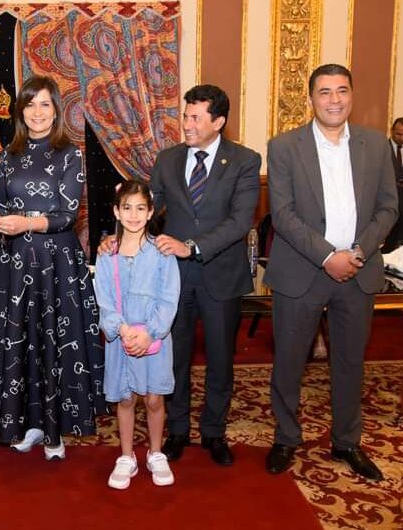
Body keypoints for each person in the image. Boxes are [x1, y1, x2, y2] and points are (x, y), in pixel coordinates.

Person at [99, 85, 259, 466]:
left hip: (221, 275)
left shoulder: (244, 160)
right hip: (173, 279)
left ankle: (214, 433)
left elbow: (240, 221)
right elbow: (147, 208)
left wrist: (193, 246)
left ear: (218, 122)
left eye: (196, 118)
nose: (187, 124)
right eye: (185, 116)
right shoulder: (168, 159)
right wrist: (117, 236)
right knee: (175, 358)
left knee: (220, 358)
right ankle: (178, 430)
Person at [264, 64, 398, 481]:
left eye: (342, 91)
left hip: (359, 270)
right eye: (324, 92)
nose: (334, 100)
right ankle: (286, 437)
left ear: (352, 96)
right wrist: (327, 256)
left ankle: (346, 442)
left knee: (350, 361)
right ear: (311, 99)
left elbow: (388, 208)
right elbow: (282, 214)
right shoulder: (284, 146)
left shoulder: (377, 145)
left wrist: (356, 252)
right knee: (289, 361)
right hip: (302, 270)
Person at [0, 75, 106, 459]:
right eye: (30, 104)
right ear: (20, 111)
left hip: (56, 264)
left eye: (45, 104)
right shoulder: (8, 155)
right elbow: (3, 205)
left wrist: (25, 223)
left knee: (54, 341)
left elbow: (68, 215)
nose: (37, 112)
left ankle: (55, 432)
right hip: (14, 263)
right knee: (22, 341)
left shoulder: (70, 154)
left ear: (56, 111)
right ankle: (31, 425)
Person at [94, 180, 180, 490]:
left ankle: (156, 453)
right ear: (116, 212)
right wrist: (122, 329)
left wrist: (150, 333)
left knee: (154, 399)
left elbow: (169, 299)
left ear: (151, 212)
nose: (133, 215)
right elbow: (104, 299)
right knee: (126, 397)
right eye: (127, 208)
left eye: (140, 208)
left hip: (155, 340)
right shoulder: (107, 254)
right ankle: (126, 456)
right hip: (121, 339)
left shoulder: (163, 253)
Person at [384, 117, 403, 250]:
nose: (402, 138)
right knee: (387, 247)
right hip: (387, 205)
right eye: (399, 134)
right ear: (392, 131)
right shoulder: (381, 148)